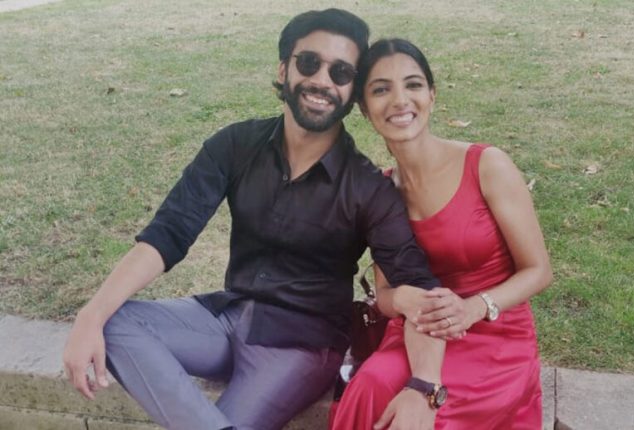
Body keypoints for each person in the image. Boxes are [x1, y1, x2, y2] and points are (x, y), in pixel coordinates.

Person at [61, 12, 446, 430]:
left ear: (351, 91)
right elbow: (168, 233)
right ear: (283, 69)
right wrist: (90, 315)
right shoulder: (236, 145)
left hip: (303, 344)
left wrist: (424, 385)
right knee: (114, 320)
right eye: (309, 63)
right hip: (227, 318)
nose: (322, 81)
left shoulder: (367, 187)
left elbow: (418, 284)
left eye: (340, 72)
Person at [329, 38, 553, 430]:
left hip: (495, 334)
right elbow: (385, 296)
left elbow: (539, 271)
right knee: (368, 388)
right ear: (364, 108)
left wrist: (474, 307)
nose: (400, 100)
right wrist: (403, 299)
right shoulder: (380, 190)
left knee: (429, 419)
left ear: (432, 95)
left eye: (413, 85)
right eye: (381, 90)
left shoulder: (486, 165)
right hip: (417, 333)